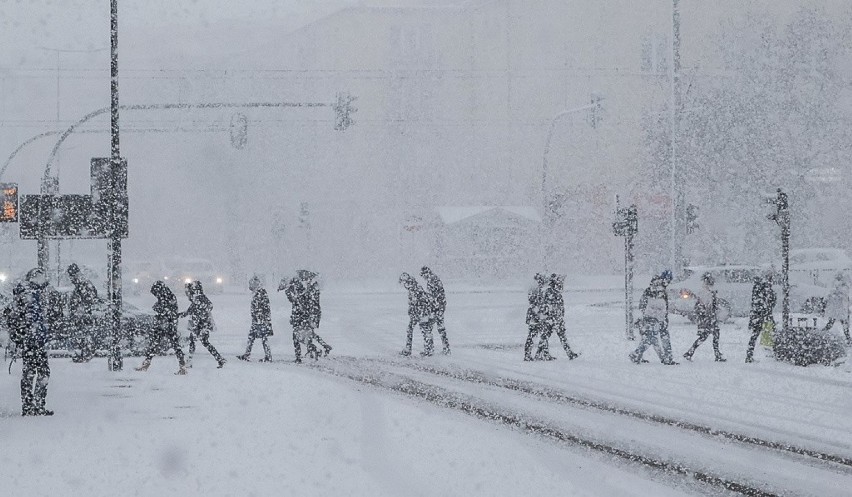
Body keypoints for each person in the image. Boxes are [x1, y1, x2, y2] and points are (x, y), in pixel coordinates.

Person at [13, 269, 56, 415]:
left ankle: (30, 405)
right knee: (41, 373)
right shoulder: (30, 294)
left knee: (31, 372)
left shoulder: (27, 292)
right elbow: (32, 319)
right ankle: (35, 405)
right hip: (34, 341)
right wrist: (37, 335)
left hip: (31, 340)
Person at [136, 281, 187, 374]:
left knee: (156, 345)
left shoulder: (166, 297)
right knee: (173, 346)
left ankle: (146, 365)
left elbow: (165, 310)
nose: (155, 295)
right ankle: (182, 366)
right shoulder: (168, 296)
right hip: (167, 324)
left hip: (165, 324)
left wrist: (157, 308)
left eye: (155, 293)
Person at [632, 271, 677, 365]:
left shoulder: (653, 287)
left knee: (650, 337)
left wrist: (645, 315)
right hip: (657, 317)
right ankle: (667, 358)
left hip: (652, 317)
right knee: (658, 337)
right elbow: (661, 305)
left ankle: (637, 355)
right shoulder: (660, 289)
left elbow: (643, 303)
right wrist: (662, 317)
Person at [180, 281, 226, 368]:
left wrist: (196, 324)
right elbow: (189, 311)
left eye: (189, 292)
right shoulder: (199, 299)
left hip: (200, 326)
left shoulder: (198, 300)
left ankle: (190, 361)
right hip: (201, 325)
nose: (188, 295)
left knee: (196, 342)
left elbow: (191, 312)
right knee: (202, 342)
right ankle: (219, 359)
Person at [683, 272, 726, 362]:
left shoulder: (706, 290)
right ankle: (716, 354)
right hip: (708, 317)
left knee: (707, 336)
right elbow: (707, 305)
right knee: (711, 335)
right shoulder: (706, 292)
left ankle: (690, 352)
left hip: (707, 317)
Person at [535, 274, 578, 360]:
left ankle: (540, 354)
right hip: (553, 319)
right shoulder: (551, 293)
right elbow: (549, 307)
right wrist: (553, 317)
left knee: (546, 336)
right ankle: (568, 353)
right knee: (554, 336)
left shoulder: (554, 293)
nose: (561, 286)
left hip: (554, 319)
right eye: (559, 284)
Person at [280, 272, 318, 363]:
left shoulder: (301, 295)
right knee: (300, 339)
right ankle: (310, 352)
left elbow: (298, 305)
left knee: (298, 339)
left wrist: (289, 293)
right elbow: (294, 303)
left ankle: (300, 356)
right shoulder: (301, 294)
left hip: (300, 320)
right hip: (300, 319)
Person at [67, 263, 99, 363]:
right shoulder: (83, 284)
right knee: (83, 336)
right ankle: (84, 354)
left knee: (83, 335)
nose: (71, 278)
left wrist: (80, 309)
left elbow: (90, 299)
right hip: (82, 316)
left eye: (71, 275)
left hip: (83, 316)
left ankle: (84, 354)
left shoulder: (82, 284)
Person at [237, 275, 273, 362]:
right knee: (254, 337)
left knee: (260, 338)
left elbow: (264, 307)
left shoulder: (260, 293)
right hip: (259, 319)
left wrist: (260, 316)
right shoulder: (260, 292)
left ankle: (266, 356)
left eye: (251, 285)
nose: (250, 287)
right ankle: (248, 354)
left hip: (260, 320)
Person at [399, 272, 435, 357]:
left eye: (403, 283)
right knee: (422, 330)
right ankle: (428, 349)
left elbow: (417, 302)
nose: (403, 285)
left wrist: (414, 311)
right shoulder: (414, 287)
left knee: (423, 330)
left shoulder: (414, 288)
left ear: (405, 281)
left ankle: (426, 350)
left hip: (421, 312)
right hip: (420, 312)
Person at [745, 271, 776, 363]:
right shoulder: (764, 289)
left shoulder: (756, 289)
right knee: (771, 332)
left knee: (755, 335)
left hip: (757, 315)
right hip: (763, 314)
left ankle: (749, 354)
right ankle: (774, 351)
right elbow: (770, 300)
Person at [420, 266, 450, 355]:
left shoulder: (431, 281)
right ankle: (446, 348)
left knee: (427, 328)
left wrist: (430, 306)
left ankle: (429, 350)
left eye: (423, 275)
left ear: (426, 274)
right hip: (440, 307)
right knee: (441, 328)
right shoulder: (435, 279)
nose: (423, 277)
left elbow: (432, 297)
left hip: (435, 308)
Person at [524, 273, 547, 361]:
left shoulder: (535, 289)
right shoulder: (535, 290)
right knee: (535, 335)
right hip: (535, 316)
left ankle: (540, 354)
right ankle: (532, 354)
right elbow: (534, 304)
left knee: (538, 335)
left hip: (535, 315)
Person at [822, 272, 851, 345]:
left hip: (840, 309)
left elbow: (845, 295)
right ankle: (848, 339)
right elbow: (830, 295)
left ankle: (848, 338)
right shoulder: (835, 286)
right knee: (840, 323)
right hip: (837, 309)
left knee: (842, 324)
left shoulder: (843, 286)